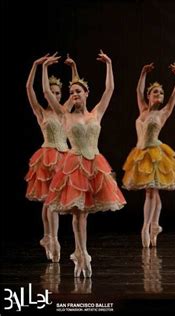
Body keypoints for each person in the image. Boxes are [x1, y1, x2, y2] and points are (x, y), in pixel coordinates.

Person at [43, 50, 126, 277]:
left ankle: (82, 253)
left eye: (78, 91)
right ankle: (81, 254)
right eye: (72, 92)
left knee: (85, 214)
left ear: (87, 93)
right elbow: (46, 93)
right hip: (74, 165)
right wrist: (42, 68)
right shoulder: (65, 115)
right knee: (77, 212)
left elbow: (110, 89)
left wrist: (109, 63)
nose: (75, 94)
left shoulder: (96, 113)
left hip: (94, 164)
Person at [122, 62, 175, 248]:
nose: (159, 95)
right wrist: (142, 72)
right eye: (156, 92)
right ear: (149, 96)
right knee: (153, 192)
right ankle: (155, 225)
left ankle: (146, 226)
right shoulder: (142, 109)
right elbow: (138, 91)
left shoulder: (164, 112)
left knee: (151, 191)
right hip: (140, 153)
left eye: (161, 93)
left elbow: (174, 95)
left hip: (155, 154)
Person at [25, 53, 79, 262]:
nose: (55, 95)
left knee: (52, 202)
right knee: (48, 202)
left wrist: (74, 68)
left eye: (58, 93)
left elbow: (77, 91)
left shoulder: (65, 110)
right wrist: (36, 65)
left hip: (63, 156)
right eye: (52, 92)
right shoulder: (41, 113)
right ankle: (51, 237)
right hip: (47, 156)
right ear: (47, 95)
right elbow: (29, 89)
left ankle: (49, 238)